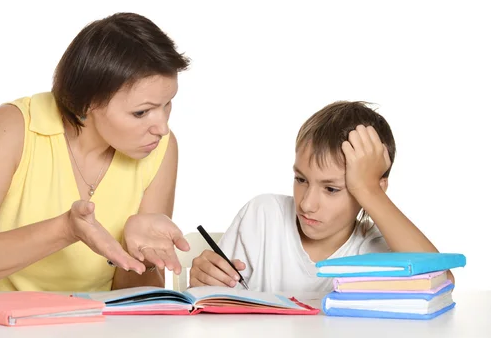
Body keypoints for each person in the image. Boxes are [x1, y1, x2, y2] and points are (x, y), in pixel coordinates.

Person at [0, 12, 192, 295]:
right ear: (89, 102)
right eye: (141, 112)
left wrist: (141, 256)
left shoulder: (159, 149)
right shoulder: (15, 128)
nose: (162, 128)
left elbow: (137, 298)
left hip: (97, 326)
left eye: (167, 104)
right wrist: (65, 230)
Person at [189, 101, 454, 292]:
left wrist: (370, 191)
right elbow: (216, 302)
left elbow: (441, 281)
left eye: (331, 189)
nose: (306, 204)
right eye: (301, 179)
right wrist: (205, 282)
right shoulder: (262, 215)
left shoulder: (379, 247)